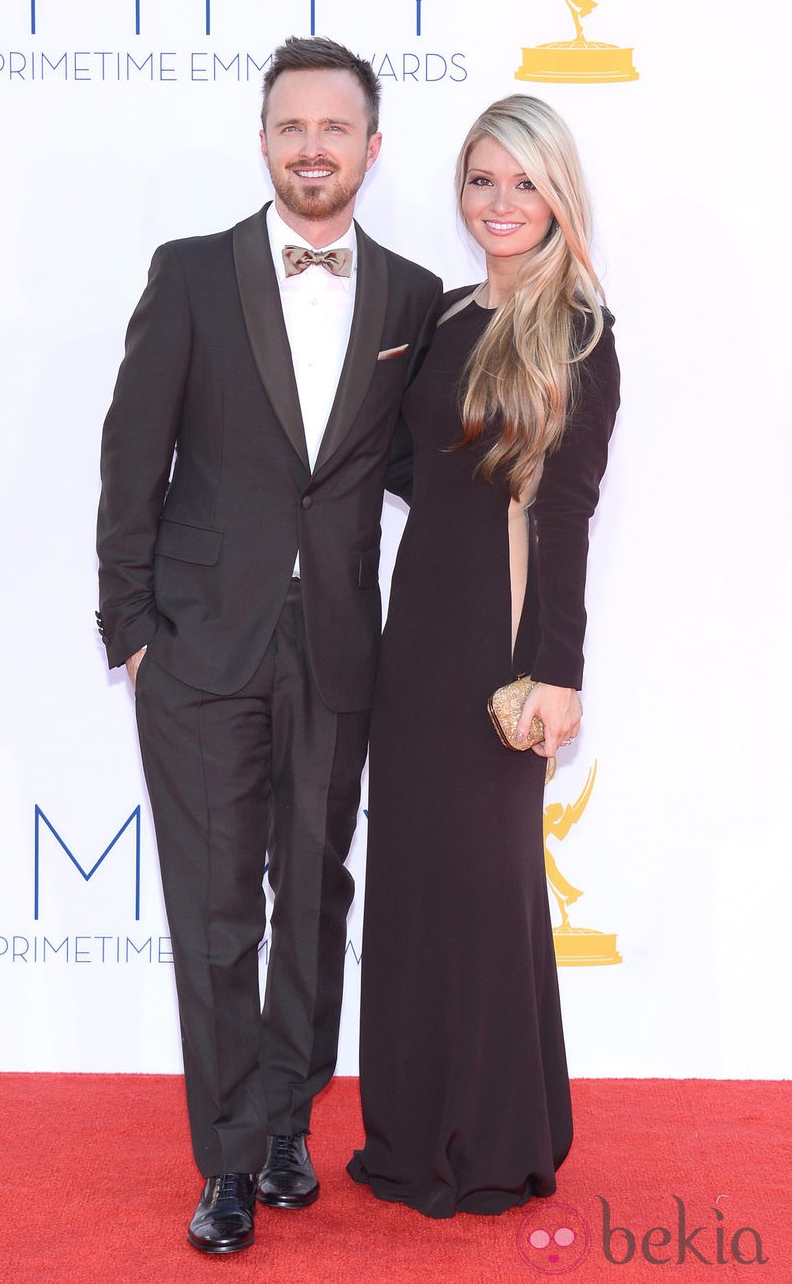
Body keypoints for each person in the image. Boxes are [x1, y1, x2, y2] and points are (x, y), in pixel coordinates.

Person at [96, 36, 442, 1253]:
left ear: (369, 148)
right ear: (261, 139)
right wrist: (130, 631)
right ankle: (227, 1160)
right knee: (213, 914)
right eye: (291, 126)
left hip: (339, 647)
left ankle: (290, 1118)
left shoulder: (408, 296)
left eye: (334, 129)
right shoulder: (189, 274)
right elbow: (131, 461)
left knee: (312, 897)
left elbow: (416, 468)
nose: (311, 147)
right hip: (196, 651)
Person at [348, 93, 620, 1217]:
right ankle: (411, 1131)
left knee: (480, 890)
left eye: (521, 181)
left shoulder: (576, 332)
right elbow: (419, 468)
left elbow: (566, 514)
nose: (499, 203)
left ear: (558, 193)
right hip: (413, 630)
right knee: (412, 888)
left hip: (499, 649)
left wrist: (558, 674)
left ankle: (494, 1142)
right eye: (480, 180)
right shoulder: (450, 315)